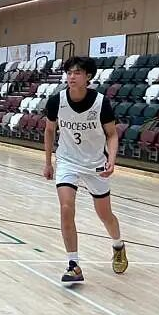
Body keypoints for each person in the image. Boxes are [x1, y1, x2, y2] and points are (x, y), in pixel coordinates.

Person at [43, 56, 128, 285]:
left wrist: (112, 159)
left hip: (95, 164)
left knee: (105, 215)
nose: (72, 77)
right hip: (67, 161)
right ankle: (74, 264)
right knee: (66, 208)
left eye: (77, 73)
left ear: (88, 76)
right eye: (69, 73)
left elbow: (112, 134)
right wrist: (48, 162)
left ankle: (118, 245)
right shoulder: (56, 101)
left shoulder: (101, 102)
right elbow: (49, 131)